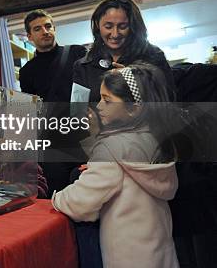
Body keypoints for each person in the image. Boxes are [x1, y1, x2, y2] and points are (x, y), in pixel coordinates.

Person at [53, 63, 179, 267]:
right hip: (159, 252)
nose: (99, 106)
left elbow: (80, 203)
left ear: (133, 109)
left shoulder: (112, 148)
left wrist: (57, 198)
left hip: (127, 256)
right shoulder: (154, 138)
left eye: (107, 100)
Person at [19, 9, 87, 194]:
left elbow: (92, 90)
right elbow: (32, 110)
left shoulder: (77, 53)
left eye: (48, 26)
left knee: (89, 194)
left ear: (54, 28)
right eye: (37, 29)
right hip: (51, 144)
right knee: (57, 195)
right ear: (29, 36)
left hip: (84, 139)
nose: (45, 31)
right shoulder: (26, 71)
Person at [73, 0, 174, 103]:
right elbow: (77, 110)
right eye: (108, 26)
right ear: (97, 24)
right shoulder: (84, 66)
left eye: (122, 27)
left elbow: (169, 100)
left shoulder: (153, 56)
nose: (115, 34)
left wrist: (133, 82)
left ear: (133, 26)